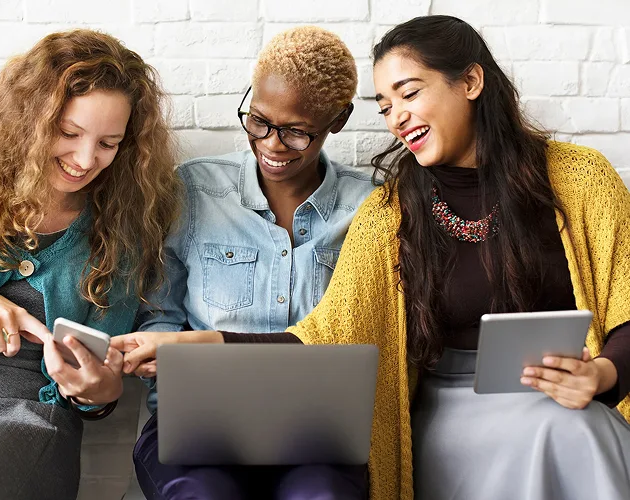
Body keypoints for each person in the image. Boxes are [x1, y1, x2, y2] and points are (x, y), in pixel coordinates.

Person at [116, 16, 630, 500]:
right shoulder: (392, 210)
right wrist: (196, 343)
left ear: (470, 81)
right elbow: (329, 332)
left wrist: (603, 374)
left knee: (577, 425)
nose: (397, 117)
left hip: (564, 395)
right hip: (449, 407)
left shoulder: (579, 178)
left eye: (408, 94)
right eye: (385, 106)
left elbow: (626, 306)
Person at [0, 29, 180, 500]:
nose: (85, 159)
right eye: (69, 133)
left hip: (28, 426)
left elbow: (96, 390)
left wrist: (99, 392)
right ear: (31, 119)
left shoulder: (125, 224)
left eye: (108, 143)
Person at [114, 26, 375, 500]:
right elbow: (162, 316)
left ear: (338, 121)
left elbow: (362, 336)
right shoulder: (194, 191)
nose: (272, 144)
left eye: (297, 132)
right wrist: (157, 357)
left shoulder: (368, 209)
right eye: (259, 121)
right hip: (198, 431)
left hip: (316, 438)